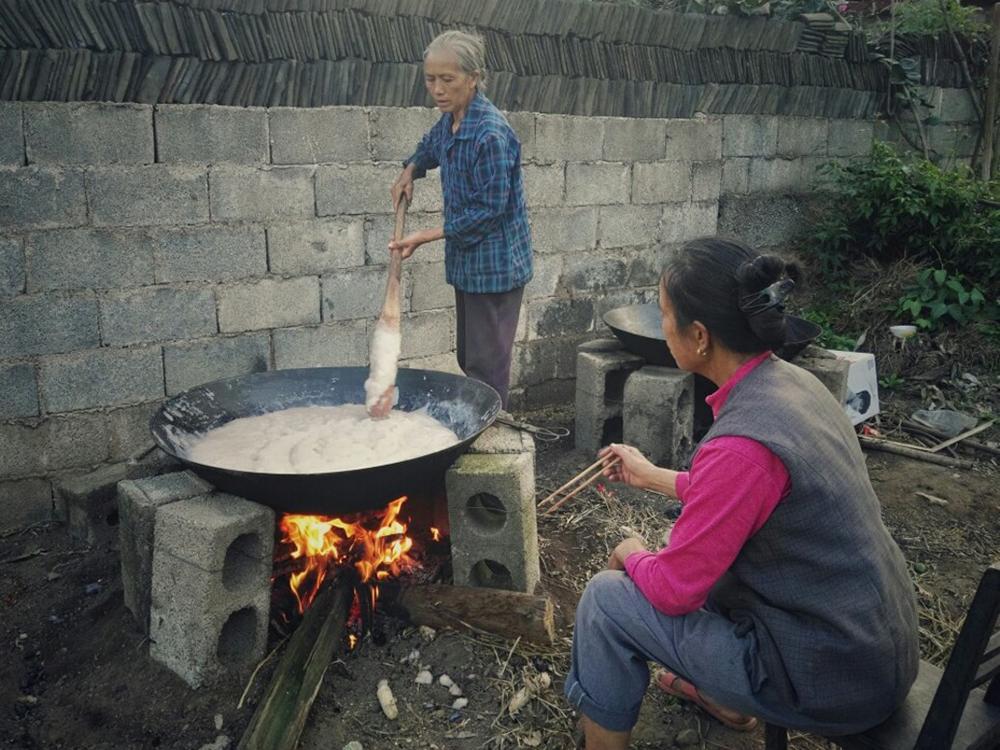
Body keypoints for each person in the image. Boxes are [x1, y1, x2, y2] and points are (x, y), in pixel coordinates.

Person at [565, 238, 919, 750]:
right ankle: (724, 698)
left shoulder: (740, 447)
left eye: (665, 315)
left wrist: (632, 553)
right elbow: (741, 497)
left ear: (700, 335)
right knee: (700, 550)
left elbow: (674, 590)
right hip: (875, 645)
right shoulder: (795, 382)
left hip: (829, 680)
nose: (661, 327)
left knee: (606, 598)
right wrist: (650, 475)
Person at [389, 30, 533, 408]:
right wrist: (411, 168)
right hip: (469, 262)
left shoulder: (491, 134)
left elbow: (490, 210)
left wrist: (425, 235)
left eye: (447, 80)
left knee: (488, 364)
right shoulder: (452, 119)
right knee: (469, 356)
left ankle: (491, 431)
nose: (437, 89)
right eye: (430, 79)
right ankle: (481, 417)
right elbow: (431, 146)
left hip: (496, 267)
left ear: (474, 77)